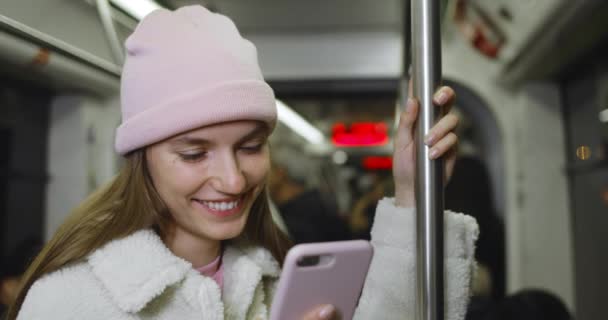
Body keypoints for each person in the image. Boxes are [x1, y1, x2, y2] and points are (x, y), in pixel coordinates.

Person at [8, 5, 477, 320]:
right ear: (142, 158)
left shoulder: (271, 279)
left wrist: (414, 193)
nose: (232, 180)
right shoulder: (69, 302)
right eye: (194, 153)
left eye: (250, 147)